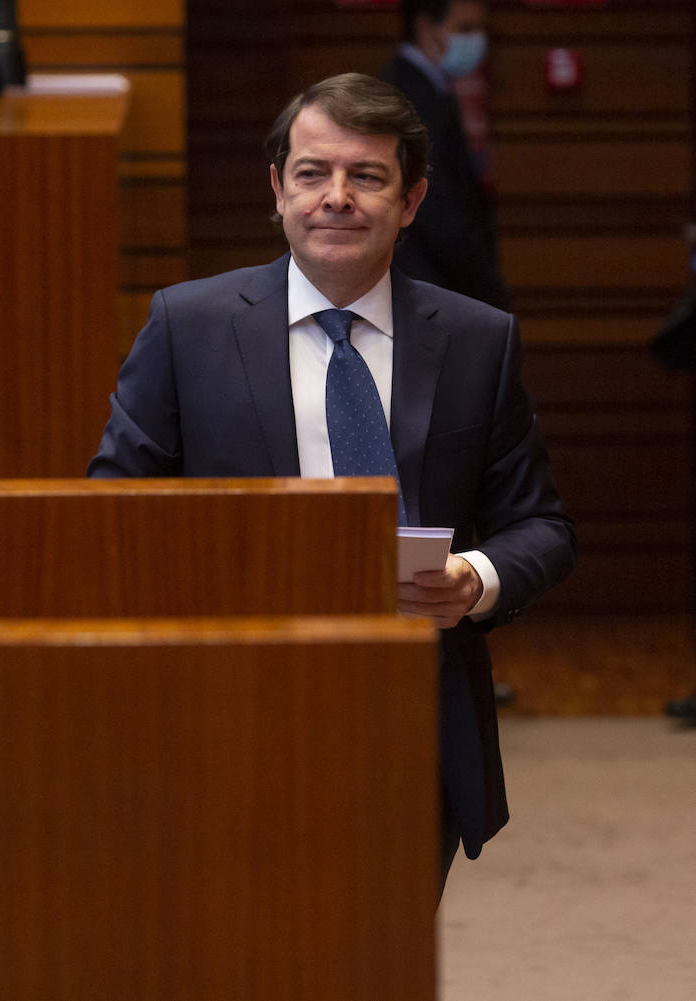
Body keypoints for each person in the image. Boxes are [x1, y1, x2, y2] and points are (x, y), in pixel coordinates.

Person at [88, 73, 576, 899]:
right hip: (226, 704)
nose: (336, 198)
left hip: (413, 713)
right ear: (277, 190)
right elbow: (110, 513)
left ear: (412, 200)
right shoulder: (188, 326)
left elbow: (541, 527)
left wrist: (474, 580)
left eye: (368, 176)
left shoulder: (475, 341)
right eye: (312, 173)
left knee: (380, 953)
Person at [380, 0, 509, 311]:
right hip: (431, 287)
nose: (477, 40)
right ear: (426, 27)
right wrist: (487, 289)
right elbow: (437, 209)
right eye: (465, 28)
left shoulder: (431, 89)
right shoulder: (406, 96)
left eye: (480, 28)